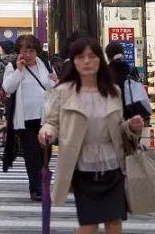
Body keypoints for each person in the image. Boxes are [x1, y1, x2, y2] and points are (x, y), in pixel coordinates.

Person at [39, 38, 145, 234]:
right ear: (74, 61)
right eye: (80, 57)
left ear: (100, 60)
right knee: (89, 225)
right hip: (82, 167)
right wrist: (47, 132)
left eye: (92, 56)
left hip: (113, 166)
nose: (86, 61)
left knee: (114, 223)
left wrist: (131, 126)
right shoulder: (63, 92)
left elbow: (119, 128)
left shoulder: (113, 91)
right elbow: (52, 123)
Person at [1, 34, 54, 201]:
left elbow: (52, 88)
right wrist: (19, 70)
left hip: (44, 117)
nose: (28, 54)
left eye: (31, 50)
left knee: (45, 152)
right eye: (24, 51)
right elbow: (8, 87)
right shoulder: (12, 66)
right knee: (32, 155)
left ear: (37, 51)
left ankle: (40, 185)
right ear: (19, 52)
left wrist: (55, 81)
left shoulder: (45, 64)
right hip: (25, 119)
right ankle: (37, 188)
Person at [106, 41, 152, 123]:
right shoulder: (131, 70)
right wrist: (146, 117)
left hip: (111, 118)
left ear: (107, 55)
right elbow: (140, 95)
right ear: (123, 53)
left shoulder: (104, 72)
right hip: (131, 118)